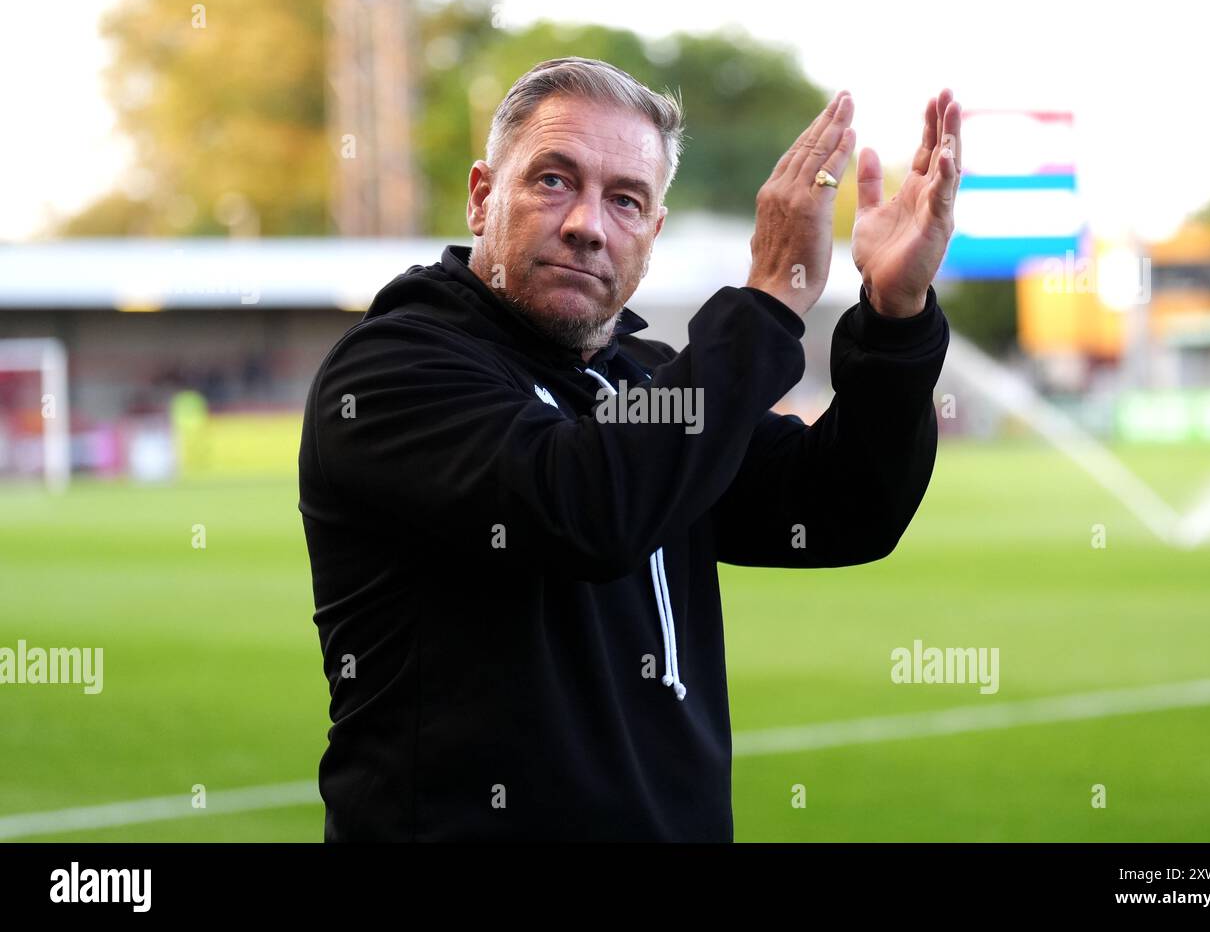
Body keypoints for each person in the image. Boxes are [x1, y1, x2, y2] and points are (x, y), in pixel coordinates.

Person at [298, 56, 959, 841]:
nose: (587, 224)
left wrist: (895, 314)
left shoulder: (644, 385)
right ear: (482, 198)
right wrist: (768, 301)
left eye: (625, 200)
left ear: (653, 231)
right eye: (553, 180)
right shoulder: (393, 368)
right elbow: (582, 506)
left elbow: (844, 510)